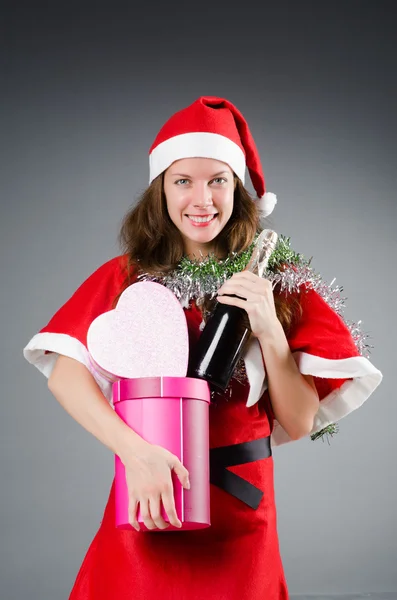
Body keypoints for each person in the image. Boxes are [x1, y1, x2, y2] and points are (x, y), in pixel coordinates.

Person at [23, 96, 382, 599]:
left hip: (242, 517)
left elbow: (298, 422)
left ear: (237, 189)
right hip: (151, 495)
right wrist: (138, 455)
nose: (202, 199)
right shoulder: (128, 280)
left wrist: (270, 330)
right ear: (161, 191)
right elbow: (65, 376)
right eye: (183, 181)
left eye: (217, 180)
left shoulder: (279, 283)